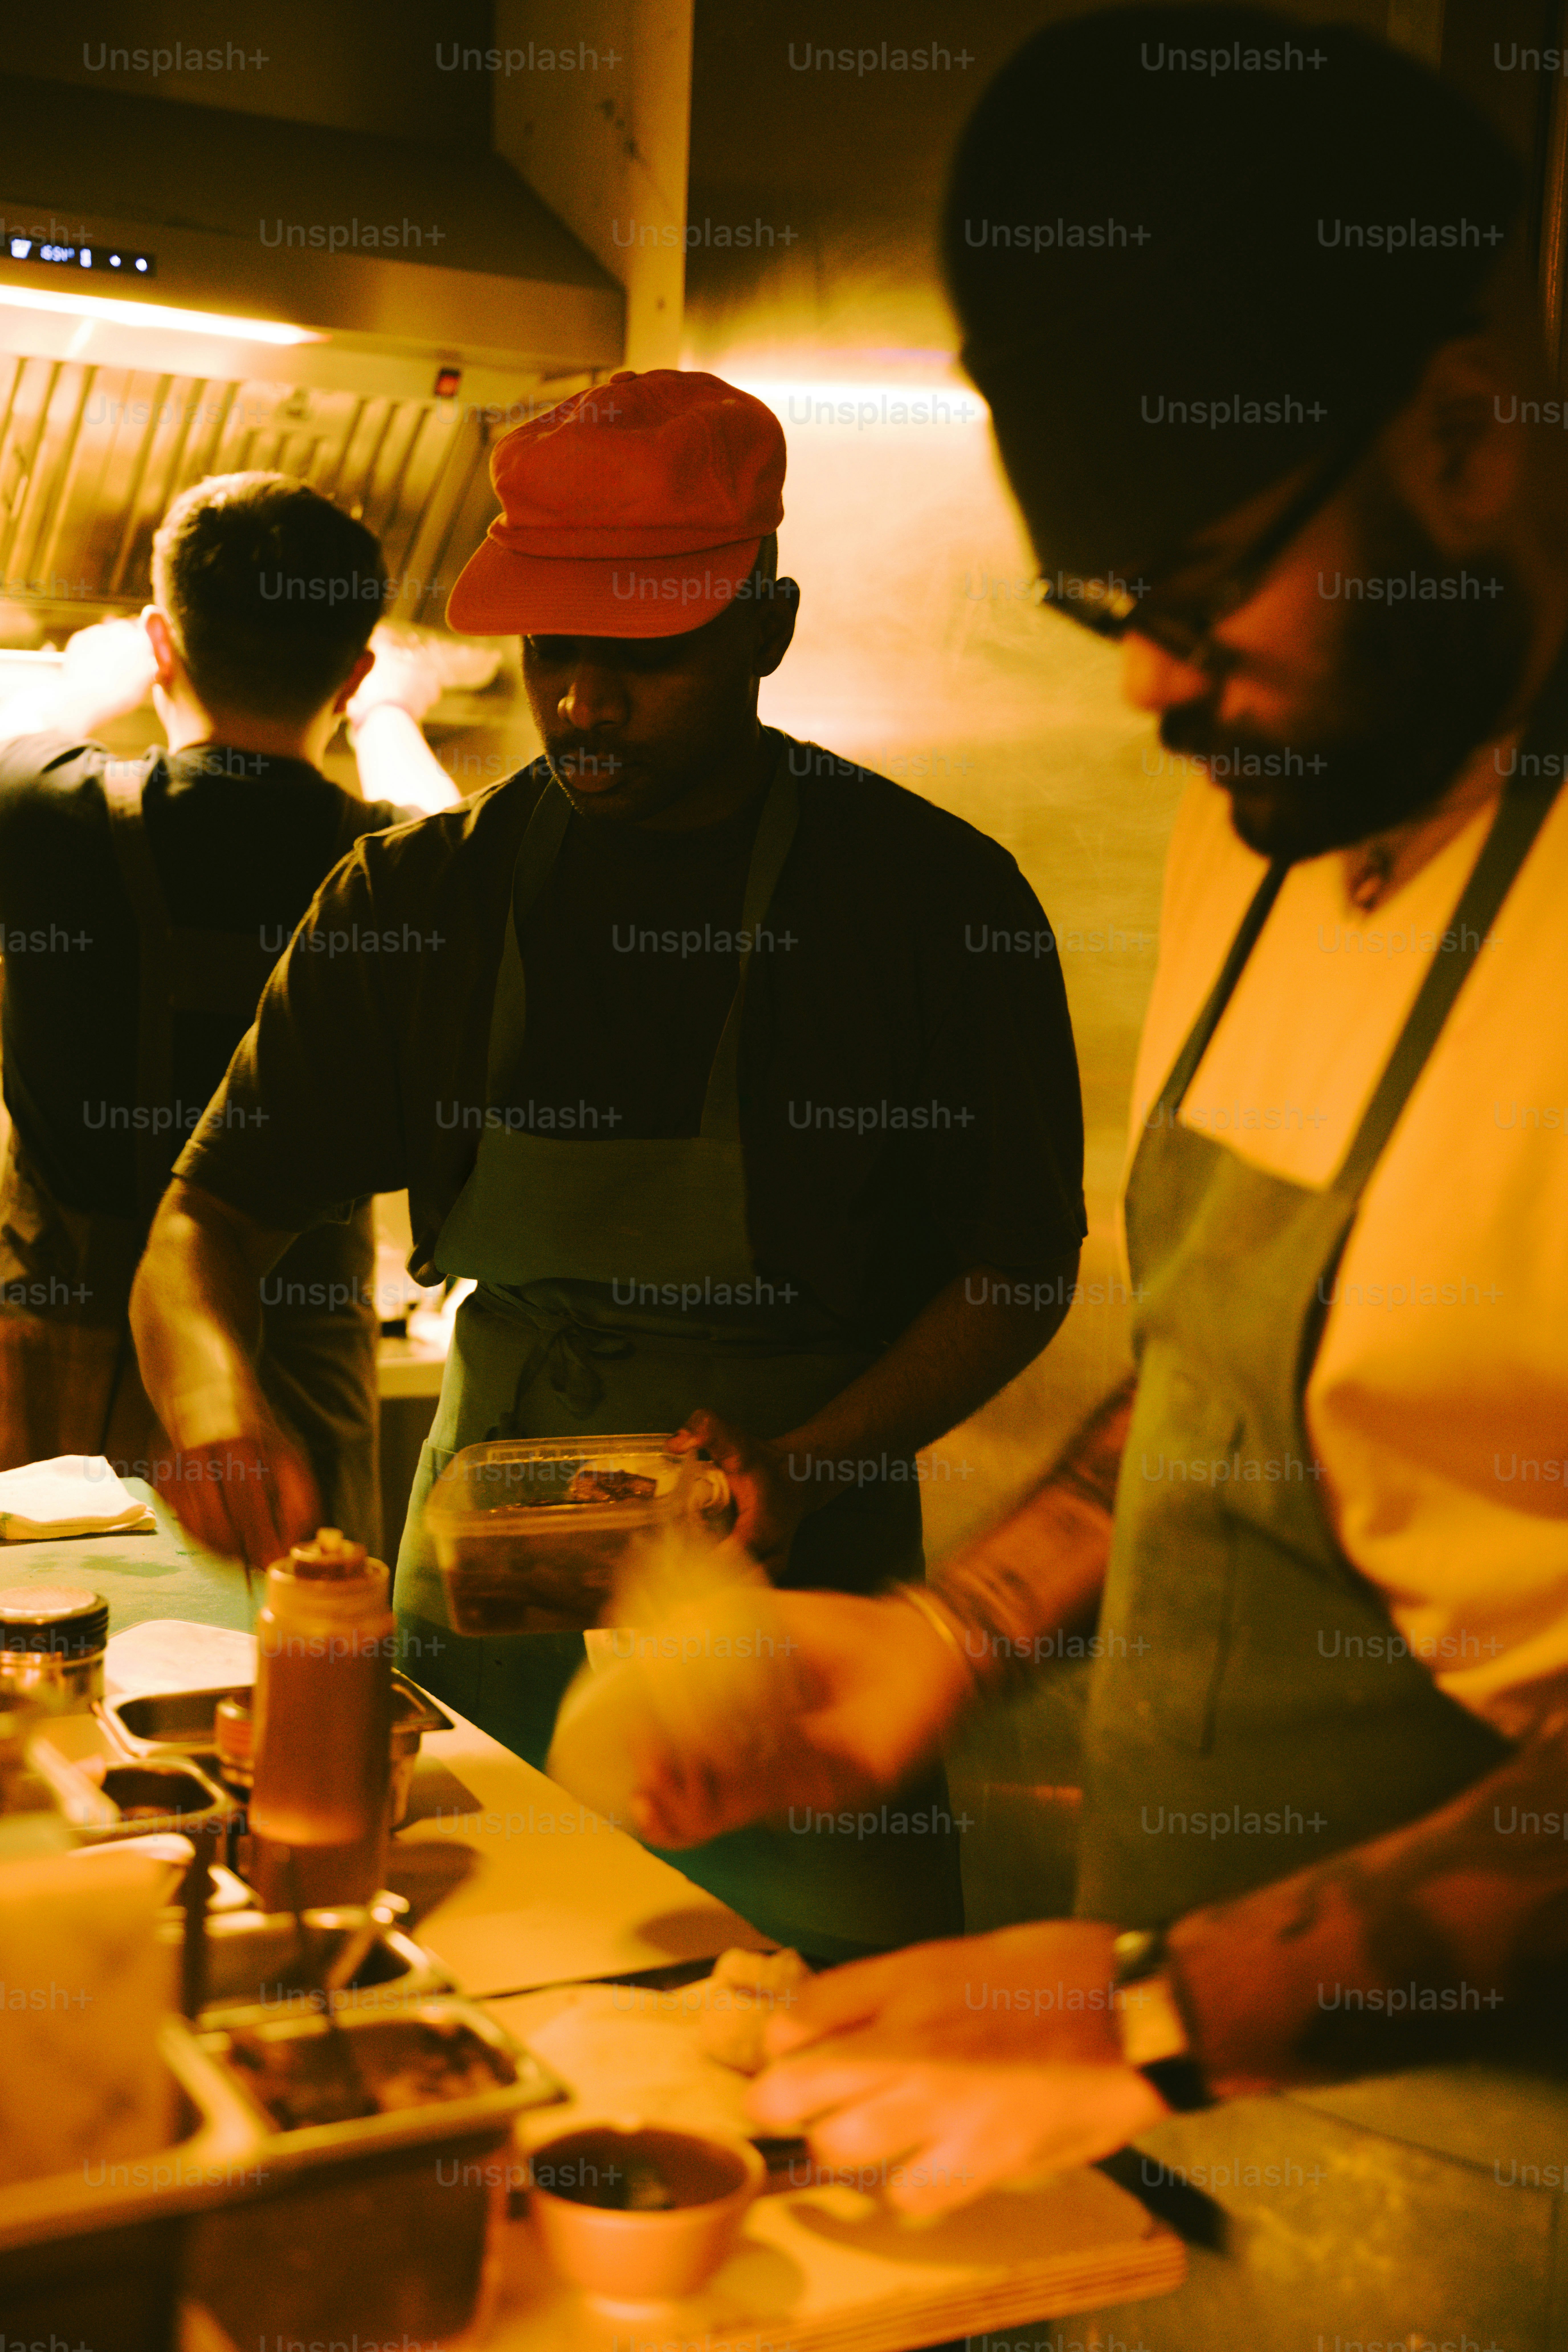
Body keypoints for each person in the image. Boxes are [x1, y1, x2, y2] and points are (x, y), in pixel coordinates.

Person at [591, 7, 1568, 2325]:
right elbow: (1244, 1389)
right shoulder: (1294, 790)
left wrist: (1152, 2012)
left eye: (1198, 585)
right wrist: (964, 1621)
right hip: (1209, 2151)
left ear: (1460, 436)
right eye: (1101, 613)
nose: (1148, 692)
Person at [128, 368, 1089, 1960]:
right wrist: (220, 1408)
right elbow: (208, 1210)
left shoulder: (931, 903)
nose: (580, 702)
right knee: (488, 1987)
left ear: (769, 626)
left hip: (777, 1622)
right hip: (473, 1594)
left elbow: (1018, 1267)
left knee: (792, 2046)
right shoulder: (416, 896)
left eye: (643, 657)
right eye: (553, 648)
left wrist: (815, 1458)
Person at [0, 471, 456, 1541]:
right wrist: (391, 709)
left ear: (164, 645)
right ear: (351, 673)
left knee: (51, 1650)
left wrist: (90, 673)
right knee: (296, 1654)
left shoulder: (48, 809)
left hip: (59, 1358)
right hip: (298, 1362)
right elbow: (461, 841)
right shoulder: (394, 864)